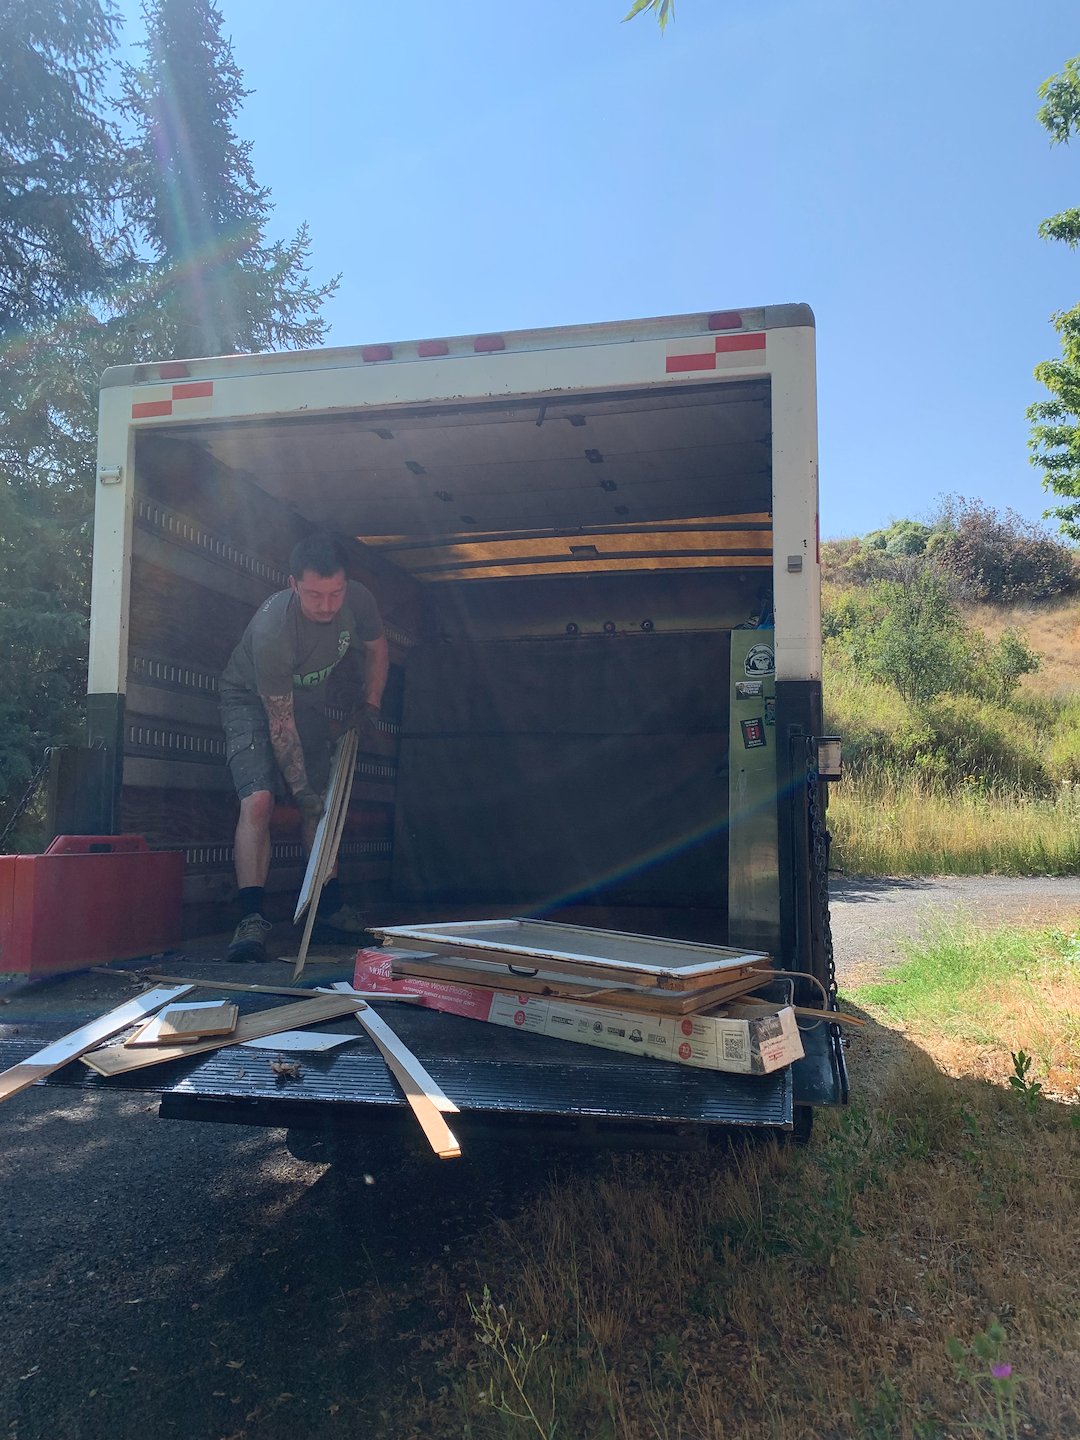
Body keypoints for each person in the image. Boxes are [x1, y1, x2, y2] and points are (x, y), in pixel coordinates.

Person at [219, 532, 389, 962]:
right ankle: (251, 919)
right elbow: (279, 724)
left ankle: (327, 907)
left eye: (335, 594)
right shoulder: (273, 630)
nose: (327, 606)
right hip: (251, 702)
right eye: (315, 594)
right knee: (259, 801)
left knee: (325, 806)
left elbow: (377, 649)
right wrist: (303, 793)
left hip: (307, 704)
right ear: (294, 584)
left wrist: (371, 704)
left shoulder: (360, 602)